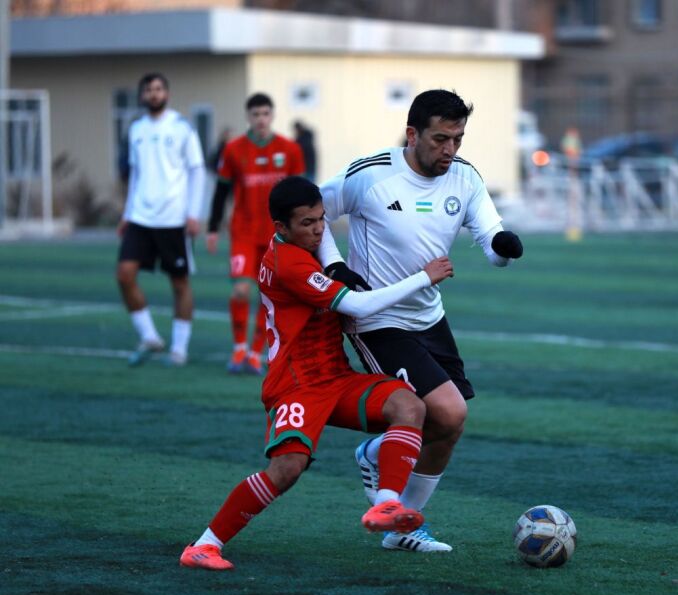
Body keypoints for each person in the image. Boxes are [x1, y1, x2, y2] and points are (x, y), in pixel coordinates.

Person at [180, 176, 454, 570]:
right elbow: (358, 307)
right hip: (297, 385)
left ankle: (387, 505)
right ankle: (204, 546)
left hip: (336, 377)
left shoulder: (306, 248)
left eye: (321, 219)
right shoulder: (288, 262)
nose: (319, 229)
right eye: (307, 223)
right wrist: (424, 278)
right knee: (286, 470)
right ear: (281, 227)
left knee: (409, 406)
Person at [317, 89, 524, 552]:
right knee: (449, 410)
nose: (450, 149)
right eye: (440, 139)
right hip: (378, 318)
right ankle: (390, 488)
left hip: (429, 315)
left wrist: (504, 250)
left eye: (458, 139)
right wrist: (334, 266)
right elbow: (316, 213)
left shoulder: (465, 178)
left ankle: (401, 522)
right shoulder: (370, 175)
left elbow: (491, 240)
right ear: (412, 135)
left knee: (448, 426)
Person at [207, 93, 305, 374]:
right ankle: (238, 348)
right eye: (255, 114)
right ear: (248, 117)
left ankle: (255, 354)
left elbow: (300, 193)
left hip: (277, 235)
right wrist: (213, 227)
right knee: (241, 290)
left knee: (268, 296)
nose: (261, 119)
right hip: (243, 233)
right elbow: (221, 191)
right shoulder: (233, 150)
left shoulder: (289, 149)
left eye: (265, 114)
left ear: (272, 116)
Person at [116, 72, 206, 367]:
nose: (153, 94)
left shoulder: (182, 127)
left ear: (166, 93)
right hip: (140, 217)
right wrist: (127, 213)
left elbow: (197, 170)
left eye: (158, 89)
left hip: (173, 218)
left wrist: (193, 213)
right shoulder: (136, 129)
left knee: (179, 283)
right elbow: (135, 175)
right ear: (142, 95)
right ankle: (150, 337)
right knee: (124, 274)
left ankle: (179, 348)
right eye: (149, 90)